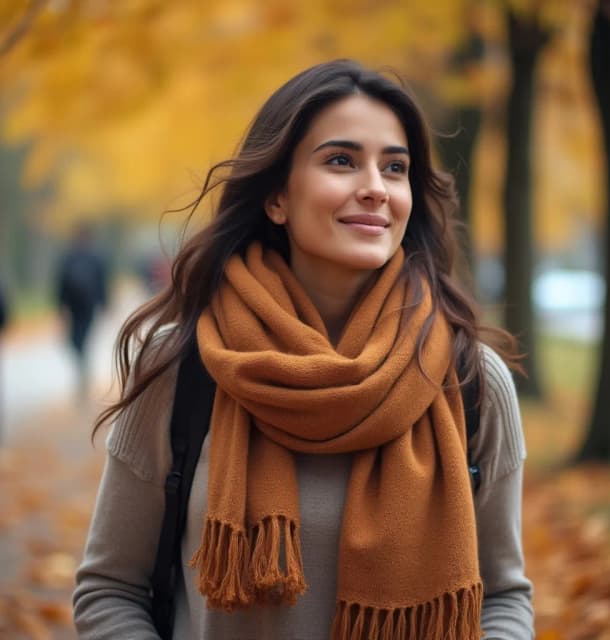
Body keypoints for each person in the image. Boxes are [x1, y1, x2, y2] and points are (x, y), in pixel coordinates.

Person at [73, 59, 534, 639]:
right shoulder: (184, 366)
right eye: (341, 160)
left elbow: (504, 599)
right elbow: (110, 589)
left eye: (395, 168)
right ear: (276, 199)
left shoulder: (470, 379)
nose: (375, 186)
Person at [56, 223, 108, 402]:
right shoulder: (69, 258)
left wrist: (103, 303)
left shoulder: (95, 258)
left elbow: (102, 282)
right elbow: (60, 283)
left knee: (81, 339)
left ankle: (83, 373)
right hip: (74, 307)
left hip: (87, 307)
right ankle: (82, 366)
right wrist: (60, 306)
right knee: (74, 341)